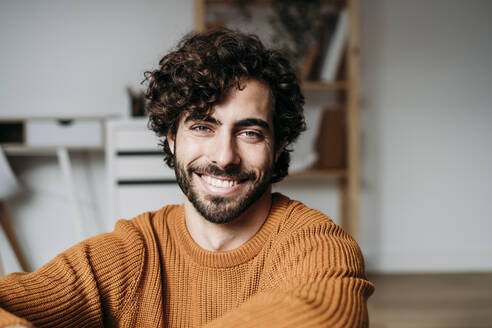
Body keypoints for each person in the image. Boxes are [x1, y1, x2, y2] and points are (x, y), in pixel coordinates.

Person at [0, 28, 374, 328]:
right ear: (172, 138)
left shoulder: (317, 244)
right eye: (203, 127)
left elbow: (322, 316)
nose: (224, 157)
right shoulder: (133, 251)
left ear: (278, 147)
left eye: (250, 133)